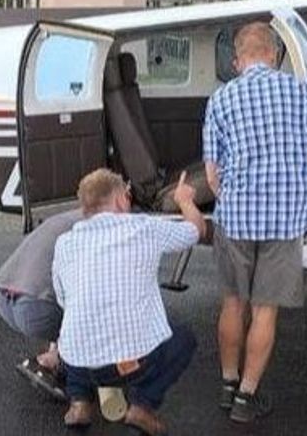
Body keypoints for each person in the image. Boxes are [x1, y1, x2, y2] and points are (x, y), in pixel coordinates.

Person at [203, 21, 307, 424]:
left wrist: (233, 200)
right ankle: (246, 398)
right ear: (275, 56)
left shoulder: (222, 99)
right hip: (285, 219)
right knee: (264, 311)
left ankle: (226, 383)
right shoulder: (302, 92)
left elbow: (212, 173)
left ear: (238, 60)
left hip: (237, 218)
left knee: (232, 303)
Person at [53, 169, 205, 435]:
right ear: (120, 200)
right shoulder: (143, 227)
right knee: (184, 339)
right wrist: (185, 201)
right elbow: (196, 230)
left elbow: (63, 300)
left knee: (77, 331)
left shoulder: (65, 242)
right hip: (130, 365)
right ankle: (142, 405)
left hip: (78, 364)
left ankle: (79, 402)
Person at [0, 208, 82, 400]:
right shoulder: (101, 228)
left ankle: (54, 354)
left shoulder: (66, 217)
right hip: (34, 309)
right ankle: (67, 368)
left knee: (59, 286)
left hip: (3, 295)